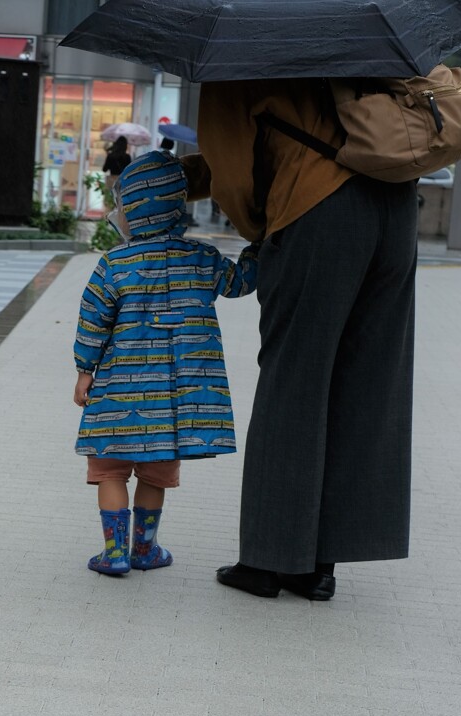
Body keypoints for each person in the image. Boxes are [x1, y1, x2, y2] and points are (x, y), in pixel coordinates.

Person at [181, 79, 418, 601]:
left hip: (317, 211)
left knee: (295, 382)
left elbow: (233, 173)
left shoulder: (248, 53)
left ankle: (268, 562)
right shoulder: (363, 35)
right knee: (365, 382)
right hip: (397, 211)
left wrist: (262, 231)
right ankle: (319, 566)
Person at [73, 151, 259, 576]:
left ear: (134, 210)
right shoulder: (202, 258)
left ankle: (114, 552)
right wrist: (259, 249)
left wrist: (85, 370)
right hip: (173, 401)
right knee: (155, 475)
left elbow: (93, 320)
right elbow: (241, 283)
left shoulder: (114, 264)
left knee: (111, 472)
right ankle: (145, 549)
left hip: (118, 396)